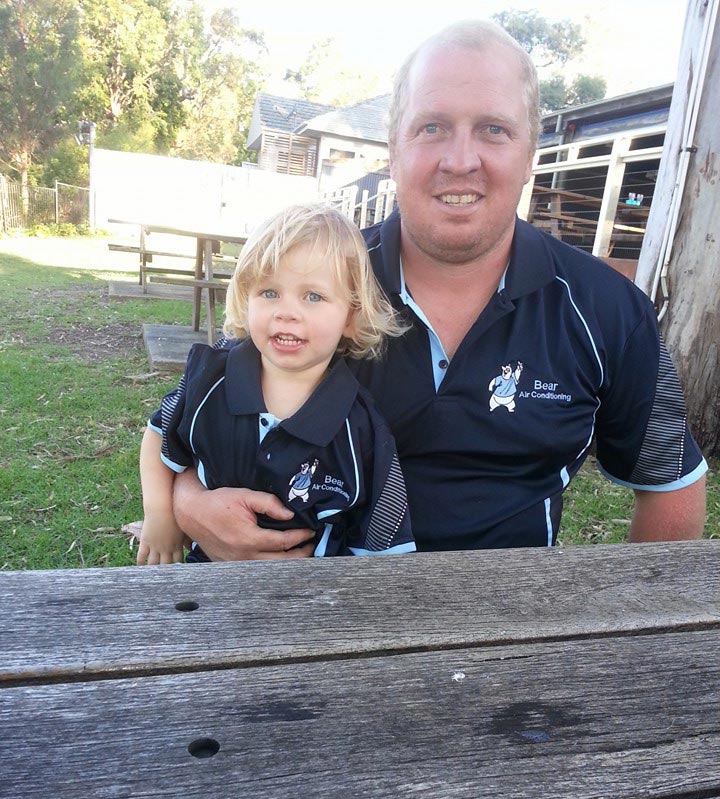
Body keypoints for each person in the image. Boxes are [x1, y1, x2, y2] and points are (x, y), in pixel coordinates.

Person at [171, 19, 707, 560]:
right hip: (308, 614)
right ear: (393, 148)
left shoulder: (608, 311)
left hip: (506, 624)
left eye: (494, 129)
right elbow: (195, 410)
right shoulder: (312, 278)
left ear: (530, 153)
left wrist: (627, 628)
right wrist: (188, 505)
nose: (459, 160)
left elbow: (670, 483)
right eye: (432, 127)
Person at [137, 203, 414, 563]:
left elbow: (383, 529)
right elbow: (159, 436)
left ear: (351, 315)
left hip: (310, 601)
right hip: (204, 584)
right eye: (269, 293)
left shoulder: (359, 427)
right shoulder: (210, 379)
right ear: (245, 296)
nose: (287, 311)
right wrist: (161, 516)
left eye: (313, 296)